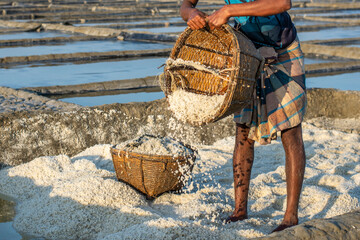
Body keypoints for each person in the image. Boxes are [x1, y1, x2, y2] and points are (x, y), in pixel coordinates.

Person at [180, 0, 307, 233]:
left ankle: (290, 216)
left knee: (291, 129)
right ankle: (240, 210)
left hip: (283, 51)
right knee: (243, 128)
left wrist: (229, 10)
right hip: (247, 53)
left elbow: (282, 3)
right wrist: (191, 14)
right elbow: (185, 4)